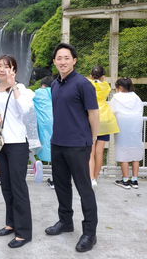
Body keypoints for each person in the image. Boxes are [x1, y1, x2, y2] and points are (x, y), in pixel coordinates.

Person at [45, 43, 99, 253]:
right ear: (54, 62)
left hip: (78, 144)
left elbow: (93, 114)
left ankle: (90, 233)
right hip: (57, 142)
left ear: (74, 60)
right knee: (61, 186)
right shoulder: (54, 85)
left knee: (84, 188)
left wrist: (92, 139)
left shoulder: (83, 84)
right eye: (59, 58)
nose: (63, 61)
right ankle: (65, 222)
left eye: (67, 58)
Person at [0, 54, 34, 248]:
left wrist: (13, 85)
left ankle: (24, 232)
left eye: (7, 66)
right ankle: (11, 223)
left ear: (13, 69)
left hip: (17, 144)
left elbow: (24, 109)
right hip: (1, 143)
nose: (2, 69)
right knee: (6, 186)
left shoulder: (21, 89)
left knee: (19, 187)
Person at [109, 78, 144, 189]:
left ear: (119, 87)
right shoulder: (136, 97)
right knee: (135, 151)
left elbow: (111, 110)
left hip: (122, 124)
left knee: (123, 151)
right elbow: (140, 110)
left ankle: (125, 180)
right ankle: (134, 180)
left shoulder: (116, 97)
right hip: (136, 125)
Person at [88, 66, 119, 188]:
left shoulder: (88, 85)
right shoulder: (106, 86)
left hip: (91, 118)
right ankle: (96, 177)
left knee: (90, 152)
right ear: (103, 77)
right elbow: (100, 82)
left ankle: (91, 179)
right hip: (105, 119)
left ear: (91, 76)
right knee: (99, 152)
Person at [33, 76, 54, 188]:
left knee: (44, 145)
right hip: (58, 121)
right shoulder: (57, 91)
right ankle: (54, 179)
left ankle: (35, 164)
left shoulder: (37, 93)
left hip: (43, 123)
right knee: (57, 148)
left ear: (42, 85)